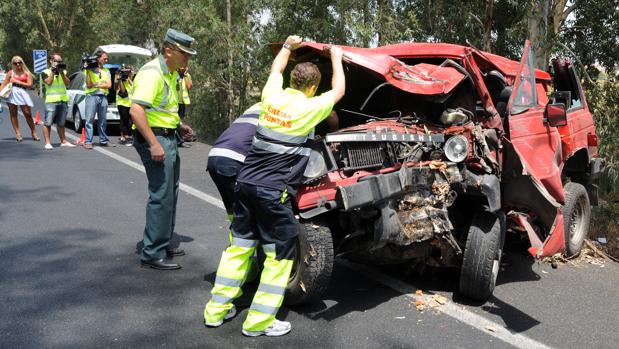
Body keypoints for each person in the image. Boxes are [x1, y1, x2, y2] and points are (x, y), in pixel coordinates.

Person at [203, 35, 345, 337]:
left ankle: (216, 311)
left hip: (245, 184)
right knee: (279, 256)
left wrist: (287, 47)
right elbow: (340, 90)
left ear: (292, 81)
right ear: (312, 88)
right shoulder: (310, 108)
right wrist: (336, 56)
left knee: (239, 249)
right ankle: (259, 323)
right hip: (271, 193)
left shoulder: (270, 97)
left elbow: (275, 71)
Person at [130, 28, 196, 270]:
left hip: (168, 137)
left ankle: (163, 242)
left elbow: (163, 108)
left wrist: (180, 124)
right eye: (184, 53)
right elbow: (136, 110)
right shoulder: (153, 73)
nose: (188, 58)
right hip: (156, 139)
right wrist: (154, 144)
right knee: (161, 195)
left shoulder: (169, 73)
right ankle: (152, 252)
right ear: (168, 50)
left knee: (170, 192)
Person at [41, 53, 76, 149]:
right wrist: (53, 71)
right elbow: (48, 82)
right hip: (51, 101)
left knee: (61, 123)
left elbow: (67, 83)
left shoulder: (63, 72)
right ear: (51, 61)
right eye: (57, 61)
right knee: (48, 122)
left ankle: (63, 141)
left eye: (60, 61)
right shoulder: (45, 72)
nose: (59, 63)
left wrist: (61, 72)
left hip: (63, 100)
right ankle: (48, 143)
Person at [0, 56, 39, 142]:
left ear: (22, 62)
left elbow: (30, 85)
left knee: (27, 113)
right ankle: (18, 133)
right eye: (15, 63)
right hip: (12, 93)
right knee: (13, 113)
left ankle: (33, 132)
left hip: (23, 93)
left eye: (19, 62)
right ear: (13, 64)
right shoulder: (11, 73)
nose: (18, 64)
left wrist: (17, 81)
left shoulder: (27, 73)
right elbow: (4, 84)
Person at [83, 49, 112, 149]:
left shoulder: (106, 70)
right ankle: (88, 141)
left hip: (103, 97)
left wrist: (97, 85)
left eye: (107, 59)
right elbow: (89, 85)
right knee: (89, 120)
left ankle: (103, 140)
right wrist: (87, 71)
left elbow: (109, 85)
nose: (106, 60)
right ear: (98, 58)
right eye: (104, 58)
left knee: (103, 120)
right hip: (91, 96)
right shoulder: (89, 70)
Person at [115, 64, 135, 145]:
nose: (133, 72)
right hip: (122, 103)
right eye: (131, 71)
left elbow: (133, 88)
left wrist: (130, 79)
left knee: (130, 121)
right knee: (124, 120)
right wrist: (120, 80)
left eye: (133, 70)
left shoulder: (131, 80)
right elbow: (122, 91)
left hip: (130, 103)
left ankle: (127, 136)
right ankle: (124, 136)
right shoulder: (123, 80)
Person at [176, 66, 192, 147]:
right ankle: (179, 140)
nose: (183, 68)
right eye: (182, 67)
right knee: (176, 121)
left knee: (180, 121)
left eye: (185, 67)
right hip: (174, 101)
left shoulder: (187, 75)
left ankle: (180, 139)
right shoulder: (174, 74)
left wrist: (185, 75)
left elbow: (189, 86)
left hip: (182, 102)